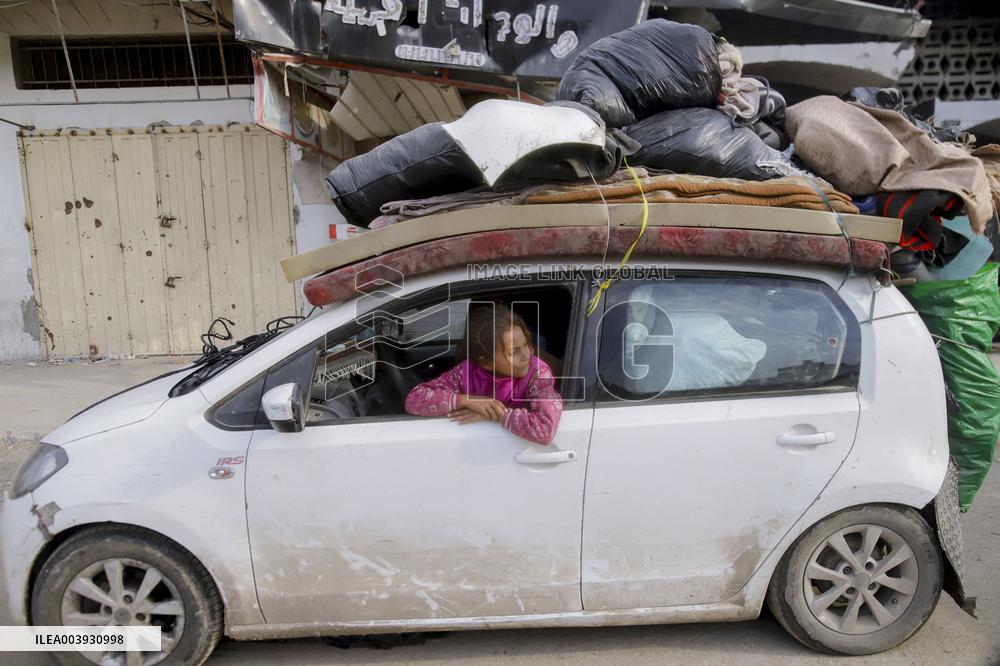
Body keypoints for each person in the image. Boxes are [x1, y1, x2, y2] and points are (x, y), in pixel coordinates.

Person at [404, 302, 563, 445]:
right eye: (514, 351)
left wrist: (495, 415)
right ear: (487, 362)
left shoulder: (538, 375)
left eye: (526, 344)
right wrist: (465, 401)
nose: (526, 355)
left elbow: (545, 430)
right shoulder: (465, 372)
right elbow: (414, 400)